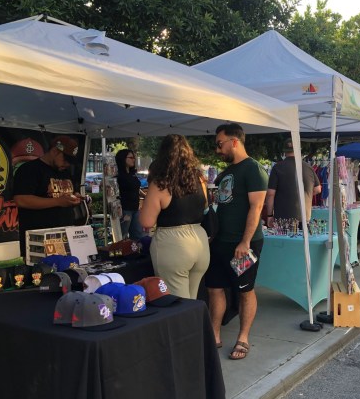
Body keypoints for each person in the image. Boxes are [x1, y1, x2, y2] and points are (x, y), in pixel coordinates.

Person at [205, 123, 268, 360]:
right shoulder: (227, 172)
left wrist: (245, 242)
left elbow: (257, 207)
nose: (217, 150)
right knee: (214, 288)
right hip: (219, 242)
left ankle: (243, 337)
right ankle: (214, 334)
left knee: (245, 291)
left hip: (244, 244)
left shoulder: (253, 170)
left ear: (234, 141)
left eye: (219, 144)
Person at [139, 135, 209, 300]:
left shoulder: (161, 183)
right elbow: (205, 207)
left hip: (173, 244)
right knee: (192, 301)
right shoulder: (199, 179)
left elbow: (146, 221)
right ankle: (196, 326)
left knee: (178, 305)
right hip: (200, 240)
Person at [13, 135, 83, 258]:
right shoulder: (29, 170)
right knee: (43, 275)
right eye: (65, 160)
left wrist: (74, 197)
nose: (67, 164)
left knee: (67, 274)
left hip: (65, 234)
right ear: (55, 151)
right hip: (39, 237)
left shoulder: (64, 172)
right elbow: (21, 199)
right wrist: (58, 202)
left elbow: (64, 194)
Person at [265, 138, 321, 226]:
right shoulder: (308, 167)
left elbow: (270, 194)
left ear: (284, 151)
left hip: (282, 218)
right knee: (301, 239)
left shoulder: (277, 168)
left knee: (284, 240)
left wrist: (269, 215)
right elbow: (318, 189)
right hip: (304, 216)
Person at [115, 149, 145, 240]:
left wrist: (145, 196)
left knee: (138, 234)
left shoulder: (132, 174)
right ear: (123, 159)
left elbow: (136, 188)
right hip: (125, 209)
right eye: (131, 158)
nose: (133, 160)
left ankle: (136, 252)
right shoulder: (118, 175)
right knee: (123, 235)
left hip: (135, 208)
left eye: (134, 158)